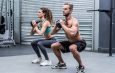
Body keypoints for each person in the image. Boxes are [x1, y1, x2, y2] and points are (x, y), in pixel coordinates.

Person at [51, 3, 86, 72]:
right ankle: (62, 63)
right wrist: (56, 25)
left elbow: (72, 34)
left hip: (80, 42)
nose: (63, 10)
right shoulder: (63, 21)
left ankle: (81, 66)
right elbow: (52, 33)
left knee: (72, 48)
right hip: (70, 42)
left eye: (65, 9)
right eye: (63, 9)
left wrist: (63, 25)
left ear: (71, 10)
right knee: (54, 46)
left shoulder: (74, 21)